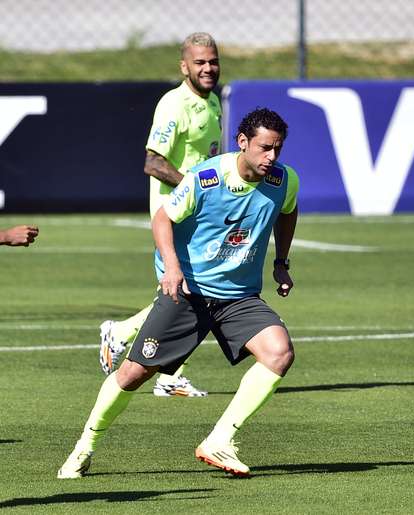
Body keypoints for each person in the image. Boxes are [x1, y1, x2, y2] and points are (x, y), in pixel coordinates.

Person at [58, 107, 299, 479]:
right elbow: (163, 218)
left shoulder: (283, 180)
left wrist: (281, 261)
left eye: (277, 149)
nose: (272, 158)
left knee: (279, 353)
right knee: (134, 374)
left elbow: (288, 210)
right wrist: (172, 267)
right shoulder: (207, 178)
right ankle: (83, 448)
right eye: (265, 148)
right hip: (189, 290)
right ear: (242, 142)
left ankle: (219, 440)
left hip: (239, 296)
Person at [99, 32, 223, 397]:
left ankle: (165, 371)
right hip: (175, 212)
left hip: (199, 211)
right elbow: (153, 162)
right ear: (184, 66)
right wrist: (193, 187)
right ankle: (135, 346)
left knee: (193, 289)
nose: (208, 68)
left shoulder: (213, 100)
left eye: (213, 61)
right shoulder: (174, 104)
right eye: (199, 62)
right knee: (190, 290)